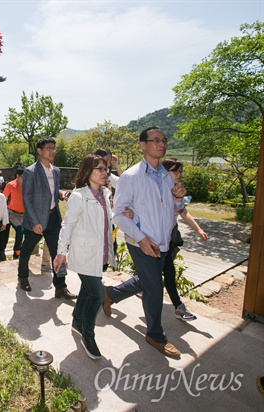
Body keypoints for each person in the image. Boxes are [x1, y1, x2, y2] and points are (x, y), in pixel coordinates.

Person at [103, 127, 187, 358]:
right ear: (142, 145)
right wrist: (141, 239)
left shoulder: (166, 176)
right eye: (155, 140)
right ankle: (155, 334)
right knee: (154, 287)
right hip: (140, 241)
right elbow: (118, 214)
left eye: (164, 139)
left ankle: (111, 294)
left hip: (163, 242)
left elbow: (176, 209)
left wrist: (178, 198)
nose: (161, 143)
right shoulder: (131, 177)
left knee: (146, 281)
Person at [54, 155, 115, 360]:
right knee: (97, 295)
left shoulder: (105, 193)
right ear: (87, 172)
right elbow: (67, 225)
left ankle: (78, 320)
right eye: (98, 169)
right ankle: (88, 335)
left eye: (105, 169)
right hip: (85, 253)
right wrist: (61, 252)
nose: (103, 172)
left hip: (100, 253)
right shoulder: (79, 196)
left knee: (88, 291)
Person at [17, 137, 76, 300]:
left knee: (59, 252)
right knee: (27, 250)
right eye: (49, 148)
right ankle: (22, 276)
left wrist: (62, 193)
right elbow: (27, 198)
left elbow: (54, 190)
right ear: (39, 151)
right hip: (35, 220)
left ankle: (60, 287)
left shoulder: (56, 170)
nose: (53, 151)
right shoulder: (30, 171)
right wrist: (35, 222)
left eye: (54, 148)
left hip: (53, 218)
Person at [161, 158, 208, 321]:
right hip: (154, 237)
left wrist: (198, 229)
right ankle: (178, 306)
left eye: (181, 171)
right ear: (165, 173)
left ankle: (113, 293)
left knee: (165, 271)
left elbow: (183, 212)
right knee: (163, 272)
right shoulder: (156, 190)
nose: (180, 174)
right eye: (176, 171)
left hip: (169, 236)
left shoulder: (177, 191)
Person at [3, 167, 25, 259]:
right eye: (23, 176)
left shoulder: (29, 185)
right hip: (12, 213)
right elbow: (3, 199)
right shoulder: (10, 185)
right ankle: (16, 252)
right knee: (20, 231)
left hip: (24, 214)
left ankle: (21, 251)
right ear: (17, 176)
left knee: (29, 233)